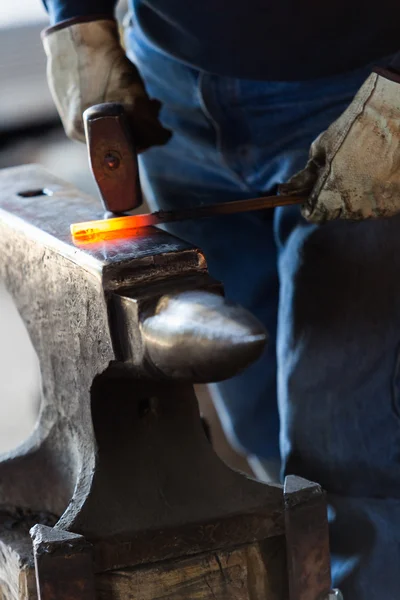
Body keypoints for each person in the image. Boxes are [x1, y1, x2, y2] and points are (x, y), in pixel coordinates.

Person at [40, 1, 400, 597]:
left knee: (346, 449)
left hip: (358, 92)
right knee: (254, 413)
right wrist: (74, 14)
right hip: (166, 88)